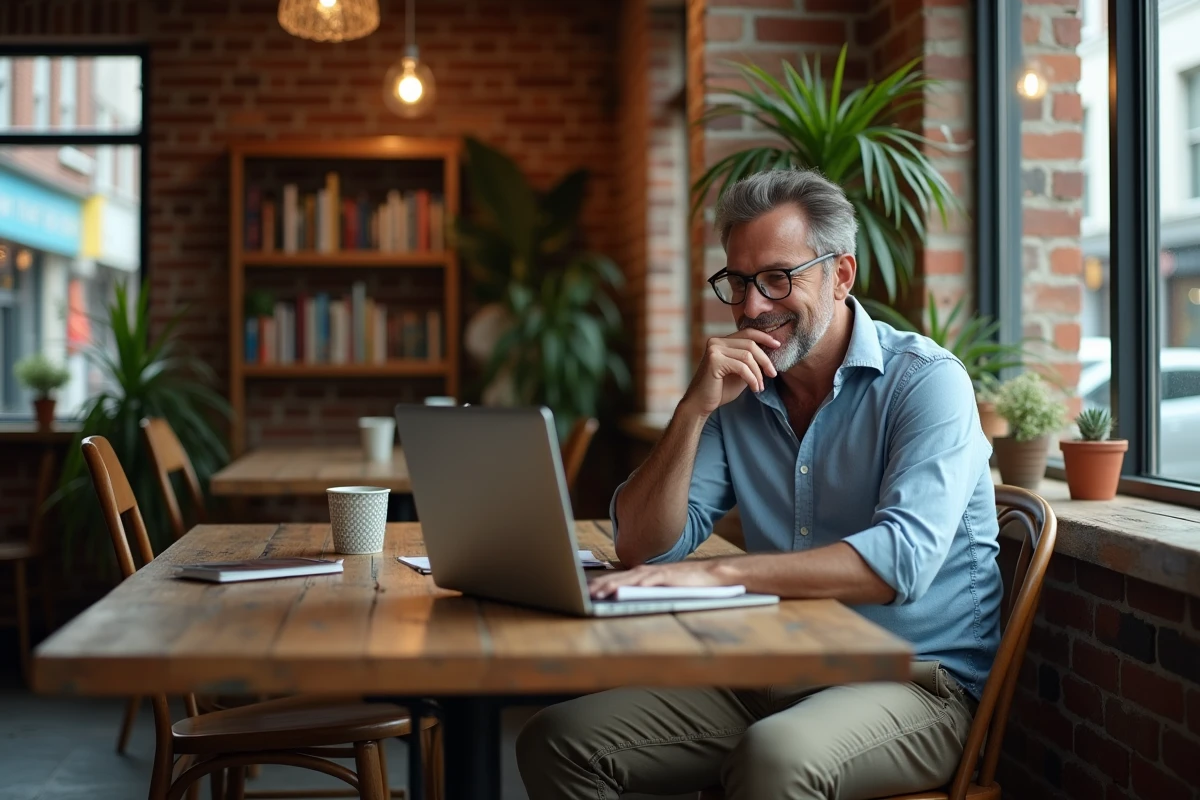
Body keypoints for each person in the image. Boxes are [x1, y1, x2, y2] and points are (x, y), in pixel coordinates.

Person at [515, 168, 1002, 800]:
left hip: (915, 684)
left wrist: (716, 574)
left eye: (778, 277)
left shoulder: (925, 381)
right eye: (738, 282)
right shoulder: (743, 390)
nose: (751, 306)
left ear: (842, 274)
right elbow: (641, 546)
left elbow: (901, 561)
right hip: (774, 668)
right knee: (558, 742)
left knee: (773, 758)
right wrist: (694, 408)